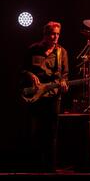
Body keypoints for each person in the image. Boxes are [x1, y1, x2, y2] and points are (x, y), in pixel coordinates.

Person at [22, 21, 69, 171]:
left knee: (52, 133)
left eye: (57, 34)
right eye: (52, 34)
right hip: (36, 96)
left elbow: (65, 75)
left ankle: (50, 168)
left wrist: (63, 83)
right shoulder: (33, 49)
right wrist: (30, 74)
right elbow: (21, 69)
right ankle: (35, 167)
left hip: (53, 96)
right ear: (45, 34)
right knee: (36, 131)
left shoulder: (62, 52)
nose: (55, 37)